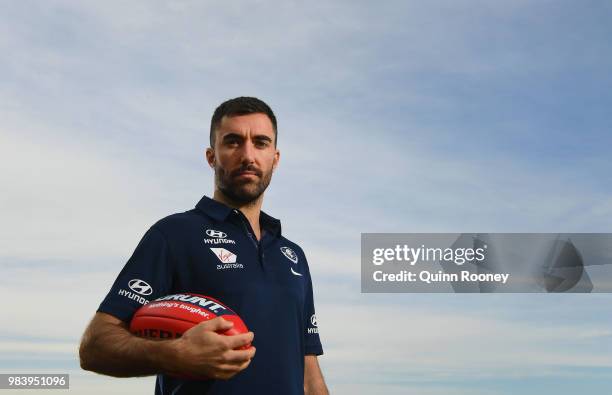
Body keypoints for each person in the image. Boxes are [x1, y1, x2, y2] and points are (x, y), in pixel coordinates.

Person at [79, 97, 329, 394]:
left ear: (275, 158)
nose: (248, 155)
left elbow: (309, 372)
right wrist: (176, 354)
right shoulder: (173, 234)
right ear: (212, 156)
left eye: (261, 143)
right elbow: (95, 345)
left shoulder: (293, 255)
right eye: (233, 142)